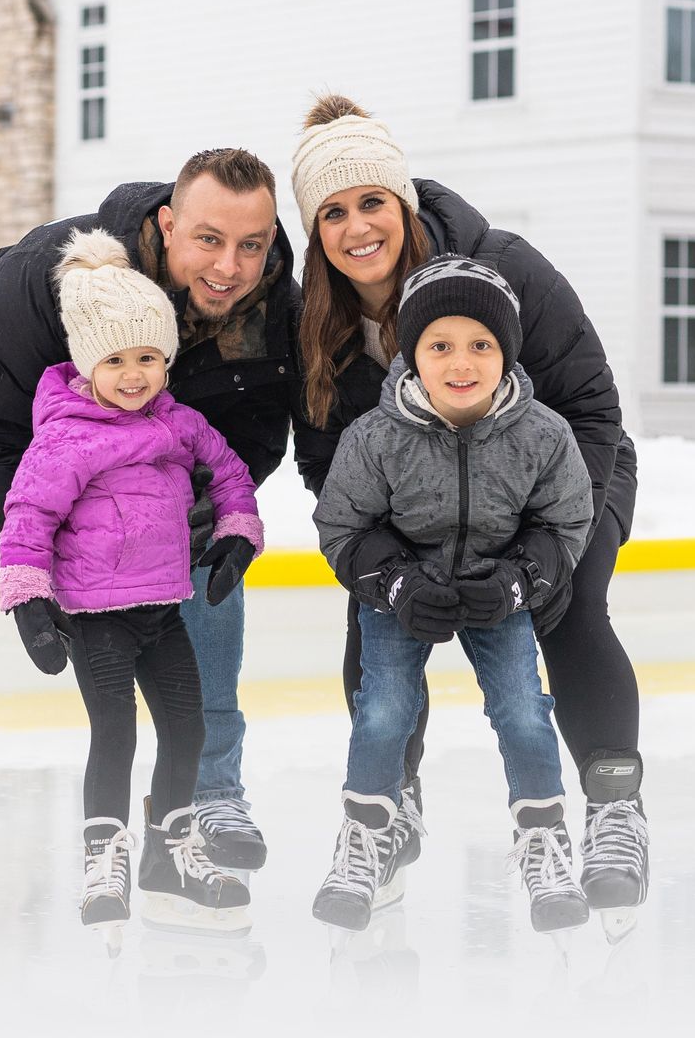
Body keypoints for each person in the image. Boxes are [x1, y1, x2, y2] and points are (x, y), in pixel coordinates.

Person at [0, 148, 299, 907]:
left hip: (132, 429)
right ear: (167, 224)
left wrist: (212, 515)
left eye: (251, 244)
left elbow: (255, 427)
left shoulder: (268, 301)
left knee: (200, 556)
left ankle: (208, 795)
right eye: (208, 239)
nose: (230, 266)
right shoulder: (53, 273)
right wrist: (26, 559)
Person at [289, 96, 650, 935]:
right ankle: (390, 810)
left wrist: (542, 557)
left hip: (561, 479)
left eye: (372, 201)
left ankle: (614, 812)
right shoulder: (317, 320)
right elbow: (327, 466)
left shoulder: (502, 267)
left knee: (568, 609)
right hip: (414, 501)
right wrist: (383, 565)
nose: (357, 228)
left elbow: (592, 405)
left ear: (404, 202)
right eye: (332, 213)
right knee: (376, 615)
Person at [0, 229, 265, 941]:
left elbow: (231, 470)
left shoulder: (178, 423)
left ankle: (170, 851)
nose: (136, 374)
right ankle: (104, 854)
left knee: (188, 727)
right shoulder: (67, 437)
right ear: (88, 365)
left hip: (161, 609)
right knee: (114, 732)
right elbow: (28, 516)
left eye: (149, 357)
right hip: (95, 617)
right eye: (116, 360)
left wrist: (238, 527)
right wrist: (30, 601)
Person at [312, 256, 594, 935]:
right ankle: (366, 834)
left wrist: (520, 579)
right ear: (413, 355)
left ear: (506, 353)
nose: (461, 363)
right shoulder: (376, 438)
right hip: (403, 592)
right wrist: (394, 581)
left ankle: (542, 838)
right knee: (383, 710)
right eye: (440, 346)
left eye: (481, 346)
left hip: (498, 592)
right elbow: (343, 525)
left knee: (524, 711)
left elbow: (566, 521)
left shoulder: (543, 435)